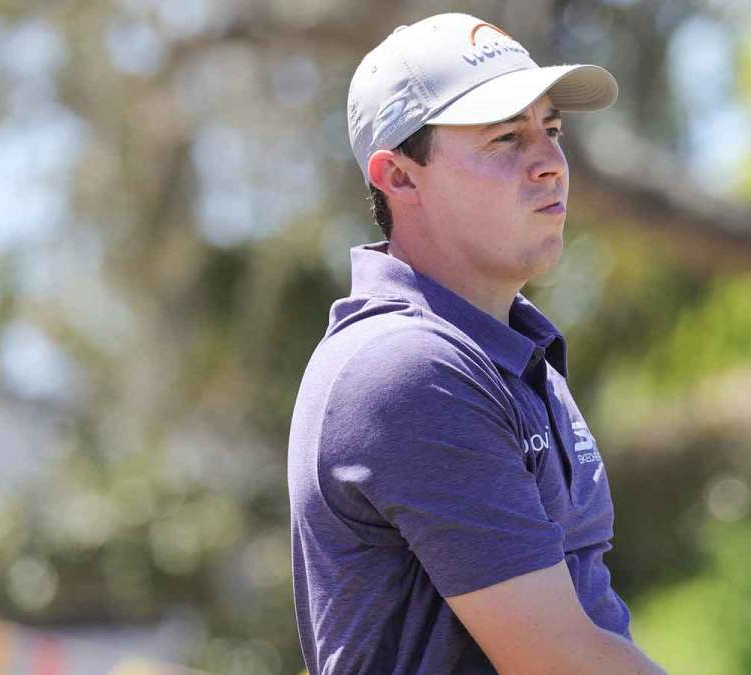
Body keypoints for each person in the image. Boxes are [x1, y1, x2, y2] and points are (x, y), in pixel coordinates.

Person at [287, 12, 667, 675]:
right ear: (399, 176)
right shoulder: (410, 368)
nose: (551, 164)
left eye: (551, 130)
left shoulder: (505, 350)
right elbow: (560, 663)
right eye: (505, 138)